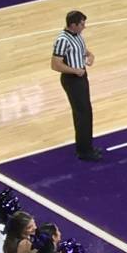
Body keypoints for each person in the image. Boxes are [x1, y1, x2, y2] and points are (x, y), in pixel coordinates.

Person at [51, 10, 100, 161]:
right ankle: (84, 151)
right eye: (82, 24)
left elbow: (83, 51)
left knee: (86, 112)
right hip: (72, 79)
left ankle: (87, 146)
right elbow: (55, 64)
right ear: (73, 25)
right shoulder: (62, 40)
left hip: (81, 76)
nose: (84, 26)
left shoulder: (77, 36)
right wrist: (74, 71)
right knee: (82, 114)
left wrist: (90, 56)